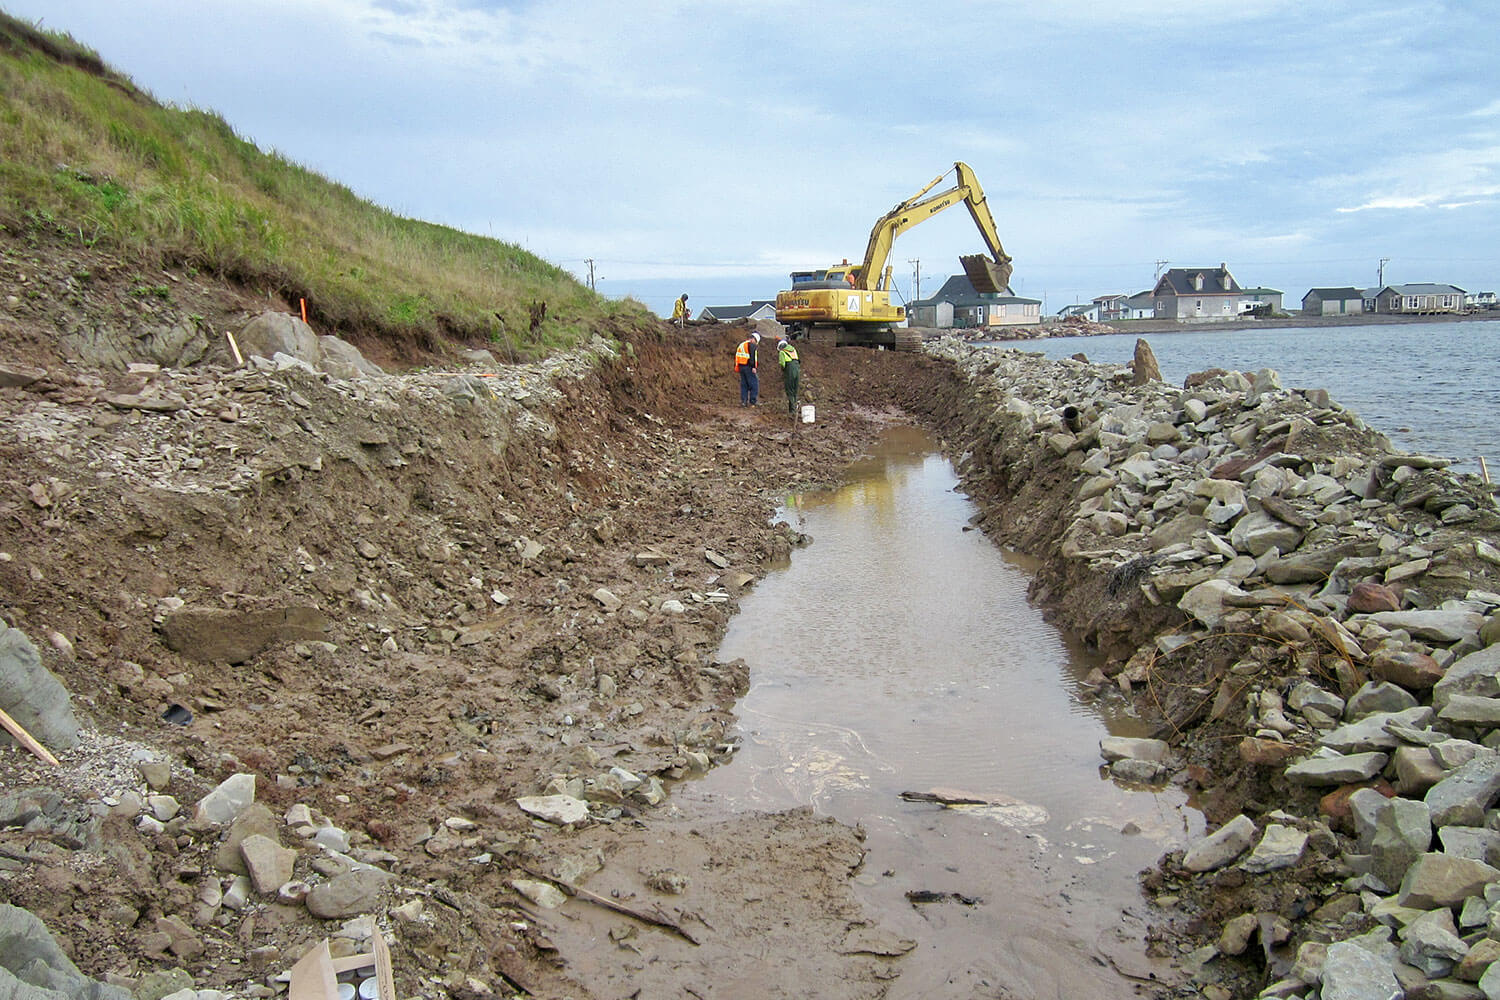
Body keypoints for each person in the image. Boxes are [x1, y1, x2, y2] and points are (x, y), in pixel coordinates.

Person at [776, 336, 801, 418]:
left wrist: (783, 372)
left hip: (789, 371)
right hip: (797, 370)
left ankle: (792, 411)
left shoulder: (782, 352)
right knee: (795, 390)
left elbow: (783, 364)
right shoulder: (793, 350)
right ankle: (794, 408)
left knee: (789, 390)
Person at [734, 331, 760, 407]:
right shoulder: (751, 345)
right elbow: (752, 357)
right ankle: (753, 401)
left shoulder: (742, 345)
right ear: (754, 339)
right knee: (754, 384)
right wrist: (753, 367)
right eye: (756, 342)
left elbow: (737, 356)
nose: (755, 344)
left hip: (741, 367)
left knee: (744, 385)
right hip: (748, 366)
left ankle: (744, 402)